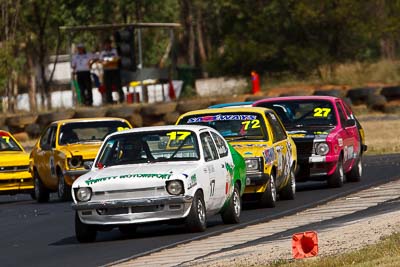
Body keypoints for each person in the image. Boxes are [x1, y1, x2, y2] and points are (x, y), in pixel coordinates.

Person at [99, 39, 125, 104]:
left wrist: (113, 60)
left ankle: (122, 99)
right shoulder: (103, 53)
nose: (107, 46)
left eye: (108, 44)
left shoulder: (114, 51)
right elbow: (101, 61)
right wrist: (105, 62)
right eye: (106, 44)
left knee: (118, 85)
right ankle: (109, 101)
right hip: (107, 71)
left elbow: (118, 58)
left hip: (115, 70)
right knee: (108, 86)